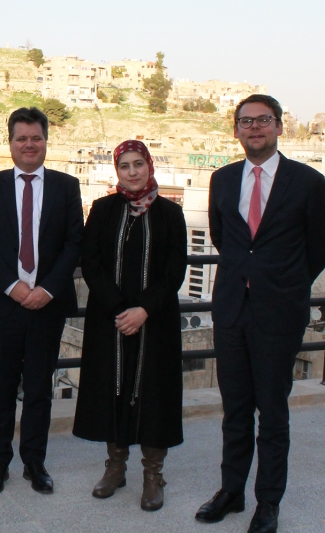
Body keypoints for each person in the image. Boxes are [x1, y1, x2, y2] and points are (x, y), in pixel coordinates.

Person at [196, 94, 325, 533]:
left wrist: (282, 283)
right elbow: (223, 238)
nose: (254, 127)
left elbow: (319, 248)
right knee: (235, 410)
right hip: (232, 310)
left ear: (279, 126)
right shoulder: (222, 179)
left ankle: (268, 502)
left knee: (272, 413)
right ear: (236, 130)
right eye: (246, 121)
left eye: (263, 120)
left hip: (279, 313)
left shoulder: (307, 181)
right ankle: (231, 491)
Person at [0, 107, 83, 495]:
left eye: (36, 138)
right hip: (3, 304)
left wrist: (46, 289)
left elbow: (74, 243)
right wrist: (12, 286)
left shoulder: (67, 186)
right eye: (22, 138)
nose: (29, 144)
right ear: (11, 143)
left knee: (39, 389)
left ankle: (34, 463)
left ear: (46, 141)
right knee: (1, 388)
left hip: (48, 305)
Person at [73, 140, 187, 511]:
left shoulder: (171, 213)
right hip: (110, 319)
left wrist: (143, 310)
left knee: (154, 393)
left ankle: (153, 475)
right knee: (114, 388)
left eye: (139, 164)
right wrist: (121, 309)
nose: (132, 172)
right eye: (125, 166)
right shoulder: (103, 209)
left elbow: (174, 270)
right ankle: (115, 467)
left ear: (150, 166)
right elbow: (91, 263)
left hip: (156, 322)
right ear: (117, 171)